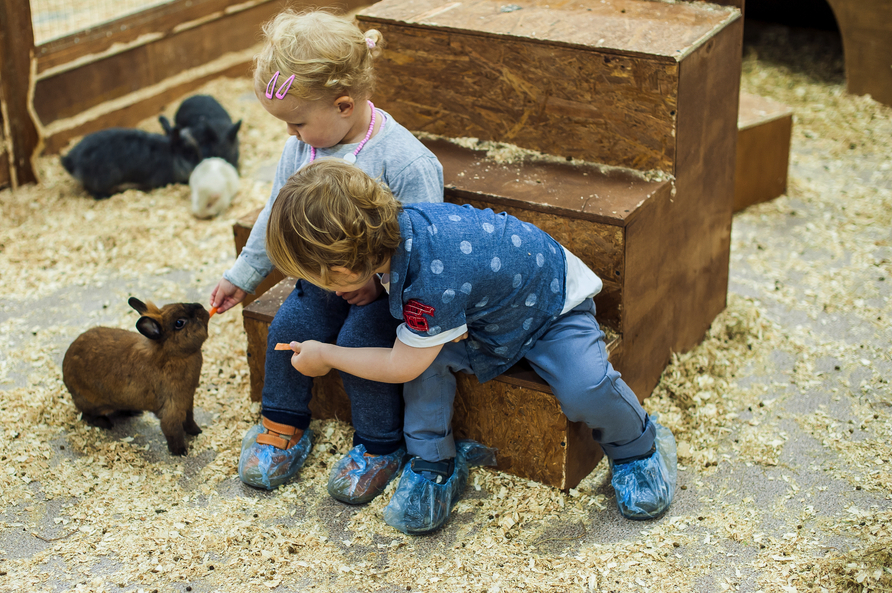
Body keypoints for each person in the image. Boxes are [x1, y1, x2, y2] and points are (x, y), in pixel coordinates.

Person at [265, 160, 678, 534]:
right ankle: (434, 461)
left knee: (584, 387)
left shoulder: (429, 283)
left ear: (343, 267)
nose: (324, 290)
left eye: (322, 280)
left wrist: (327, 356)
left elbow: (399, 366)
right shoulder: (399, 229)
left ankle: (638, 448)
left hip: (550, 308)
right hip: (485, 318)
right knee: (429, 360)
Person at [209, 9, 444, 504]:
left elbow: (427, 245)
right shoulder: (302, 150)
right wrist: (243, 276)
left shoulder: (406, 162)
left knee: (361, 337)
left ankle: (379, 445)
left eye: (296, 122)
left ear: (343, 105)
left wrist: (378, 286)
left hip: (388, 289)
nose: (290, 134)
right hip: (322, 276)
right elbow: (276, 214)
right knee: (290, 324)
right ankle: (282, 424)